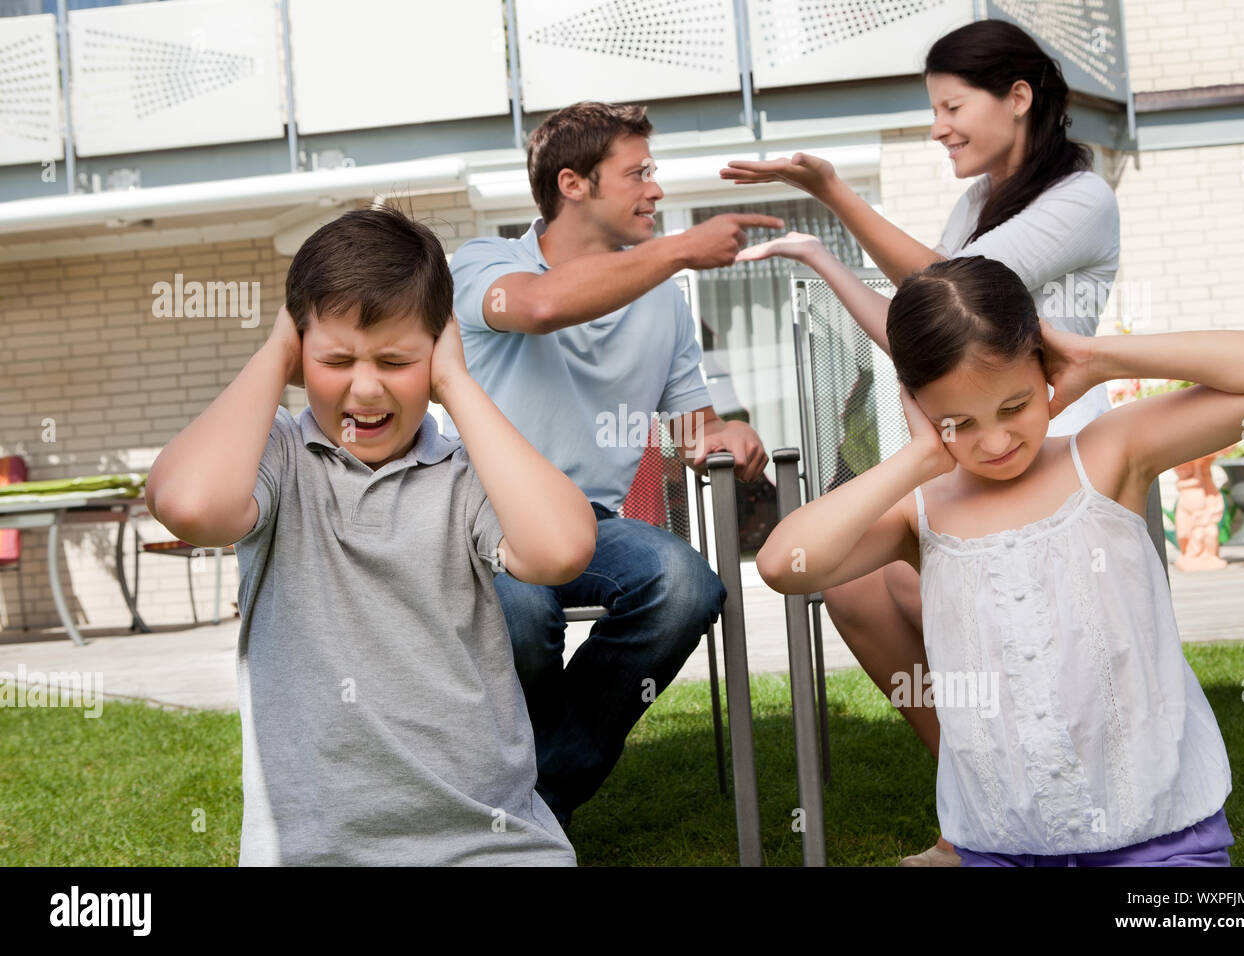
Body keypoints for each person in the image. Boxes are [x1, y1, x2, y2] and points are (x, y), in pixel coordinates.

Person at [724, 18, 1120, 864]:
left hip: (1048, 456)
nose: (938, 126)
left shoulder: (1081, 200)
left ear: (1018, 98)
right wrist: (820, 258)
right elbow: (925, 330)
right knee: (858, 591)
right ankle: (985, 806)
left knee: (989, 635)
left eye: (950, 106)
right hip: (971, 453)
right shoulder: (981, 200)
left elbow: (947, 288)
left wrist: (835, 192)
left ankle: (1014, 815)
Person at [760, 254, 1244, 865]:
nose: (994, 442)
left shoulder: (1108, 454)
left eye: (1014, 407)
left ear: (1045, 367)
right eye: (957, 422)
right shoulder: (920, 510)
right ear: (917, 406)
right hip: (1001, 844)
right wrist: (916, 459)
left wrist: (1100, 358)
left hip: (1160, 836)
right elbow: (785, 565)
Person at [145, 206, 597, 865]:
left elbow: (560, 550)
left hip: (491, 845)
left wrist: (458, 384)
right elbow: (188, 504)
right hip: (317, 853)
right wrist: (275, 351)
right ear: (300, 351)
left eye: (396, 359)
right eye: (334, 359)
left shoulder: (463, 474)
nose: (364, 387)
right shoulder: (276, 459)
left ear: (437, 353)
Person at [449, 101, 779, 825]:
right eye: (638, 174)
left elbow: (692, 419)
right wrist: (682, 251)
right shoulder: (485, 263)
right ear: (573, 183)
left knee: (687, 585)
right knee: (524, 610)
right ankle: (523, 799)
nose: (655, 190)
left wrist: (720, 434)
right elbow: (535, 308)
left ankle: (534, 799)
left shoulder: (660, 298)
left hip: (592, 524)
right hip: (482, 517)